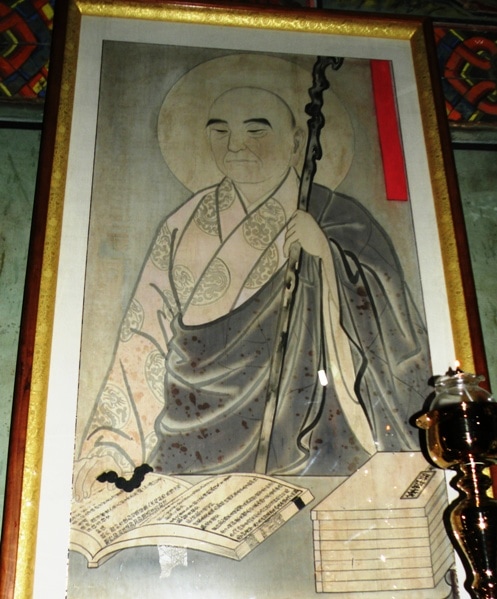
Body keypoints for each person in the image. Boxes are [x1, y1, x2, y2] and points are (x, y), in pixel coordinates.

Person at [73, 86, 430, 500]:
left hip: (308, 444)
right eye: (220, 132)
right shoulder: (183, 225)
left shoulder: (338, 219)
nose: (235, 146)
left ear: (297, 141)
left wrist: (326, 256)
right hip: (187, 449)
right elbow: (143, 340)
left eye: (256, 131)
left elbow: (394, 332)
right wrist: (112, 446)